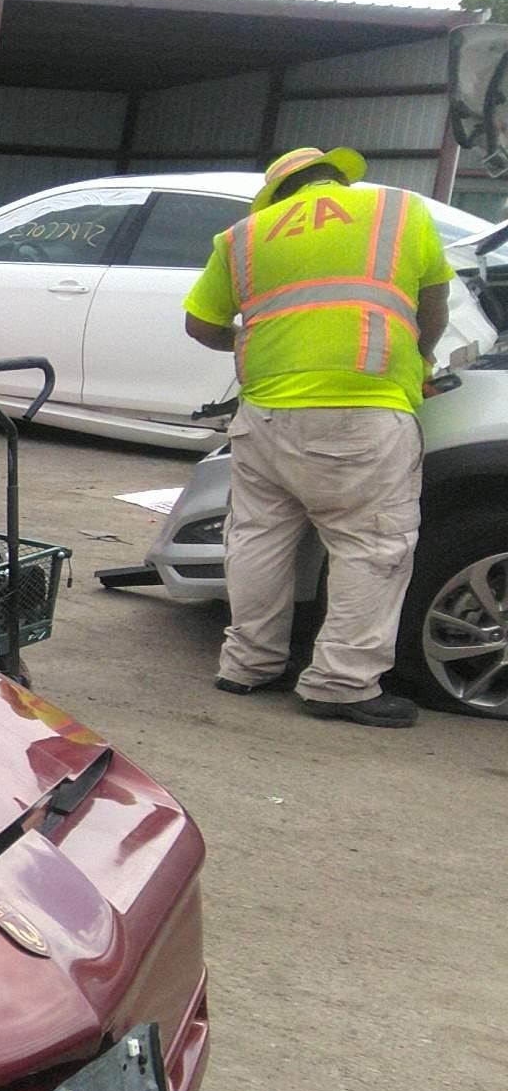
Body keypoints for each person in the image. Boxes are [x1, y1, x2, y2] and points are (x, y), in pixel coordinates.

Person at [181, 147, 457, 728]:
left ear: (278, 194)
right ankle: (340, 683)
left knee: (258, 537)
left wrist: (261, 339)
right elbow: (433, 306)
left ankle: (247, 665)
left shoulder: (243, 236)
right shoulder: (397, 210)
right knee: (370, 544)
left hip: (265, 412)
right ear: (336, 179)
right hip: (362, 406)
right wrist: (422, 357)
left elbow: (201, 325)